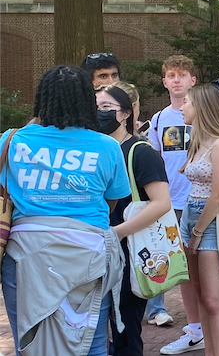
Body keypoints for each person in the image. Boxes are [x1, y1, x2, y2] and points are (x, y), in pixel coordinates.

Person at [1, 65, 131, 356]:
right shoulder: (107, 146)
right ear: (87, 101)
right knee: (92, 342)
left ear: (41, 100)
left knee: (30, 342)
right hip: (89, 255)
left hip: (25, 257)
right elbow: (113, 202)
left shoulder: (11, 141)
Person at [97, 84, 171, 356]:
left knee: (125, 331)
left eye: (106, 107)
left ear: (126, 113)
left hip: (130, 253)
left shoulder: (140, 151)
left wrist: (117, 232)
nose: (98, 113)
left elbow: (162, 203)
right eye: (95, 107)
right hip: (97, 251)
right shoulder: (97, 149)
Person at [177, 85, 219, 356]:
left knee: (215, 300)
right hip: (191, 213)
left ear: (202, 108)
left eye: (187, 103)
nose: (182, 107)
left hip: (211, 219)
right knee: (200, 293)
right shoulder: (196, 140)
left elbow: (218, 195)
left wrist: (198, 232)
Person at [147, 55, 198, 345]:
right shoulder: (158, 119)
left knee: (207, 264)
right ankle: (175, 315)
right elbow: (156, 159)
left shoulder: (201, 114)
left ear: (192, 80)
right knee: (173, 261)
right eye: (171, 75)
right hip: (171, 202)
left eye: (182, 74)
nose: (176, 80)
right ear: (164, 81)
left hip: (200, 198)